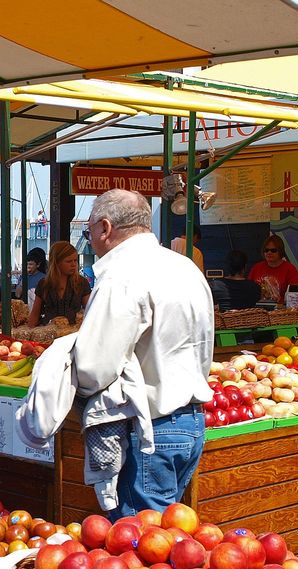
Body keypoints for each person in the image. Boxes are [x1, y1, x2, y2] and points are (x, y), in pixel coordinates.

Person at [72, 189, 214, 514]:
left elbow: (93, 368)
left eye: (89, 231)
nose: (90, 239)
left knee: (138, 552)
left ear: (105, 228)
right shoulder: (186, 268)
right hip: (190, 423)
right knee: (163, 546)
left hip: (149, 430)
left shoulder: (121, 276)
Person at [28, 241, 89, 327]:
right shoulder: (44, 284)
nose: (73, 264)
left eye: (75, 260)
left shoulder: (82, 283)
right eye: (68, 261)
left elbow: (91, 311)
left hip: (73, 334)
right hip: (48, 335)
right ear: (56, 262)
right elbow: (34, 315)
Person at [249, 235, 298, 304]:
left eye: (273, 250)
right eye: (266, 250)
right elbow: (249, 290)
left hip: (282, 310)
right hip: (258, 309)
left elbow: (295, 296)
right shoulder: (256, 268)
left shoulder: (290, 269)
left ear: (280, 251)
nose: (269, 252)